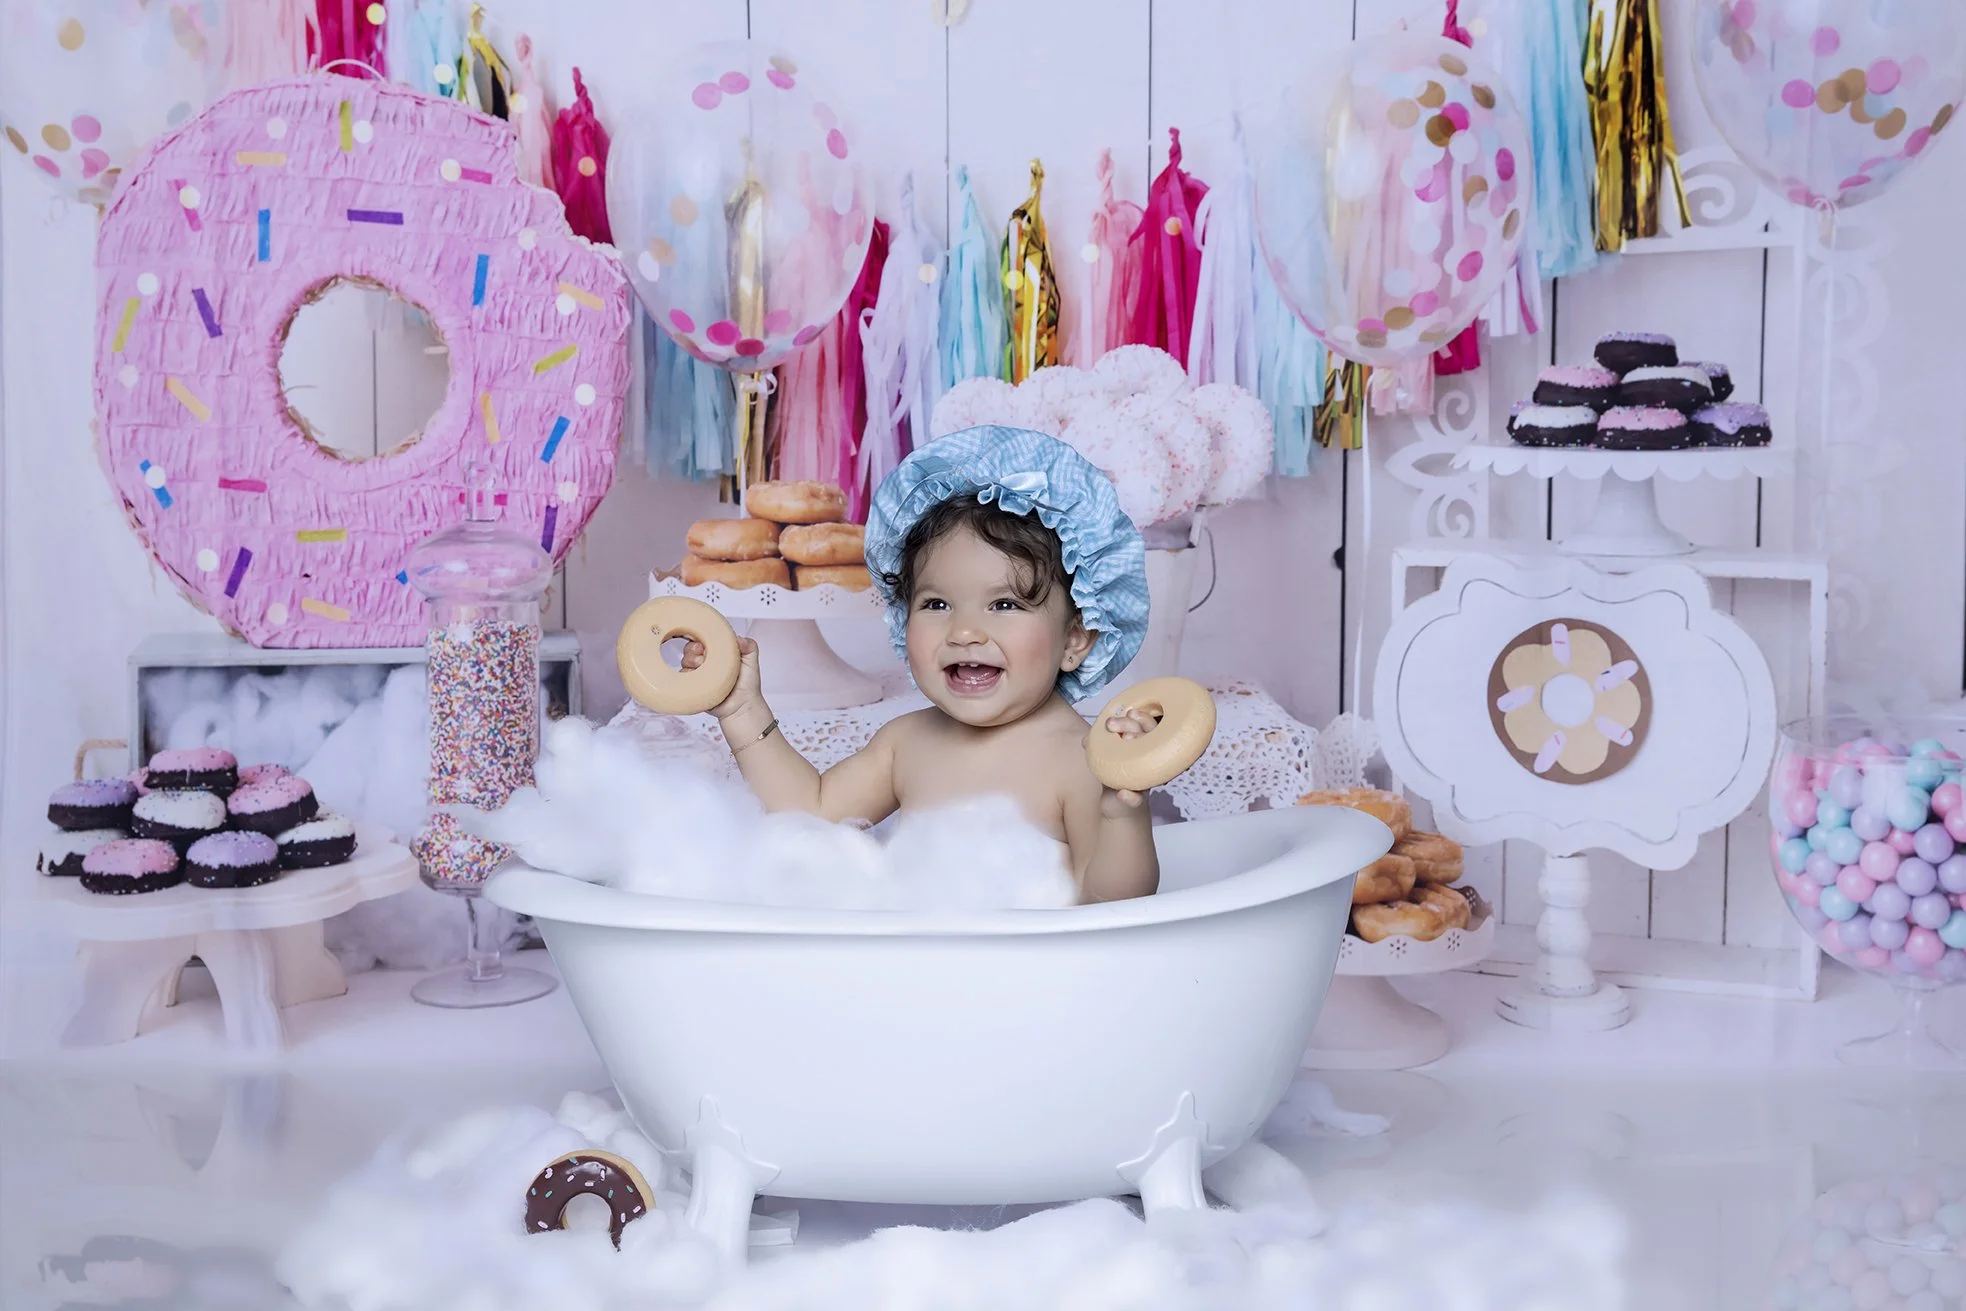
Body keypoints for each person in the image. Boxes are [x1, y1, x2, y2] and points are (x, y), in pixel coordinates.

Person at [685, 426, 1161, 902]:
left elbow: (1112, 903)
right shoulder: (906, 744)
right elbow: (809, 815)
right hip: (912, 969)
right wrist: (742, 711)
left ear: (1075, 639)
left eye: (1004, 605)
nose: (964, 632)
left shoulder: (1082, 759)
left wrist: (1122, 813)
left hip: (1024, 975)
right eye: (937, 605)